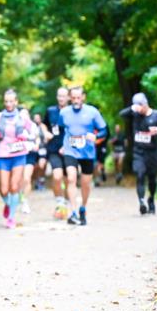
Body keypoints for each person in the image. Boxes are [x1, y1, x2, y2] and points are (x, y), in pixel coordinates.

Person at [60, 85, 107, 226]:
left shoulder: (92, 112)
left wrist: (96, 136)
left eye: (78, 97)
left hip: (87, 152)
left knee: (86, 183)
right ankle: (73, 212)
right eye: (73, 97)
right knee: (71, 179)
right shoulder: (64, 113)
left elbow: (104, 130)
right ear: (69, 98)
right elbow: (59, 129)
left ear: (83, 97)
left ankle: (83, 208)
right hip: (70, 150)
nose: (76, 100)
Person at [119, 93, 157, 215]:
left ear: (145, 104)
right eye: (136, 107)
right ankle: (142, 202)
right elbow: (122, 114)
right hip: (138, 152)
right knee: (140, 174)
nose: (138, 109)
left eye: (140, 106)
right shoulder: (135, 113)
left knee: (152, 179)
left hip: (152, 153)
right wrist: (132, 108)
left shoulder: (156, 115)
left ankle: (151, 199)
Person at [0, 89, 33, 229]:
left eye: (11, 101)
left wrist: (25, 136)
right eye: (6, 101)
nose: (8, 104)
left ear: (16, 102)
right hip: (3, 154)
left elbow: (32, 132)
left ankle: (11, 217)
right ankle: (8, 204)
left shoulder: (22, 117)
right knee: (3, 189)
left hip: (18, 154)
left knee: (14, 186)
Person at [44, 87, 69, 219]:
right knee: (57, 176)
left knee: (68, 179)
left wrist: (67, 146)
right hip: (54, 149)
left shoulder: (72, 112)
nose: (61, 98)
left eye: (63, 96)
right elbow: (43, 124)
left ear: (68, 97)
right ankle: (60, 202)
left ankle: (66, 201)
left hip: (69, 150)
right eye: (59, 96)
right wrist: (45, 132)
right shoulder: (51, 111)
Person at [20, 110, 48, 213]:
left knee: (27, 178)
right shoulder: (15, 126)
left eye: (26, 114)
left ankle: (24, 201)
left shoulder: (33, 126)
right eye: (21, 115)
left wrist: (38, 146)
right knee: (19, 179)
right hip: (17, 154)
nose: (24, 117)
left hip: (30, 154)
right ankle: (18, 195)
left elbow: (38, 138)